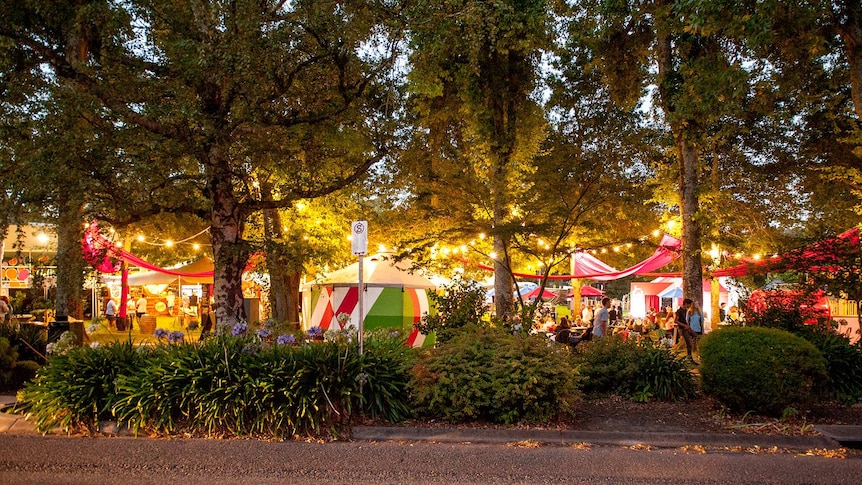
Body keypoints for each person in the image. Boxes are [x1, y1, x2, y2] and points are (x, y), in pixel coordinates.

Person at [675, 298, 697, 362]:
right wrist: (684, 325)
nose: (690, 306)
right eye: (689, 305)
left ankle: (690, 357)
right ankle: (689, 358)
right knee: (688, 343)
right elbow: (676, 320)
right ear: (686, 304)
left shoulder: (685, 311)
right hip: (683, 329)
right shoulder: (679, 311)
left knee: (696, 337)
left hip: (686, 328)